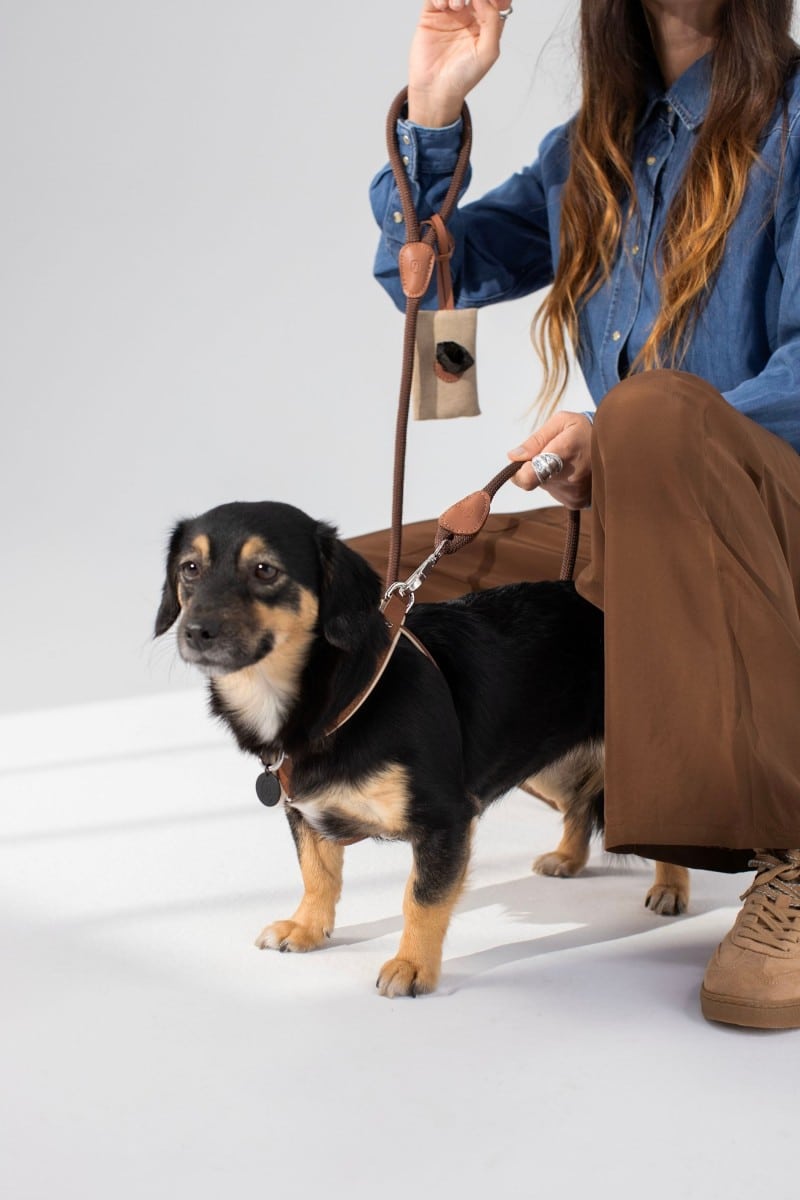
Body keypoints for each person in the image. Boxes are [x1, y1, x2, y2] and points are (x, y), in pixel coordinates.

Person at [369, 0, 800, 1029]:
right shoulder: (597, 147)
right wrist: (434, 108)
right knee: (347, 598)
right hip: (643, 541)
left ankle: (787, 847)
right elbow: (431, 276)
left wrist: (624, 440)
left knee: (650, 412)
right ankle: (602, 765)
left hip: (773, 530)